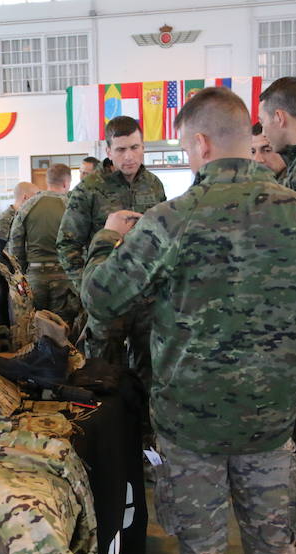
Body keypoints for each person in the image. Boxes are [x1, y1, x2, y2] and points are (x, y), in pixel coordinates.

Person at [81, 87, 296, 554]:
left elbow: (101, 299)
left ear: (203, 145)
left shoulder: (169, 220)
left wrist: (106, 238)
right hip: (273, 424)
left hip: (190, 427)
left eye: (187, 149)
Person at [57, 115, 166, 387]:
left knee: (149, 375)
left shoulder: (154, 185)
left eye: (135, 147)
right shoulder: (89, 190)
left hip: (146, 299)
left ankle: (143, 427)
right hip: (107, 299)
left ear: (143, 147)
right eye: (121, 149)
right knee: (103, 377)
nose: (129, 156)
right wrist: (88, 288)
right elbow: (67, 243)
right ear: (108, 152)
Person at [8, 163, 80, 324]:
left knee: (37, 328)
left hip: (35, 277)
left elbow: (15, 242)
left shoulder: (28, 206)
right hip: (65, 278)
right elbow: (82, 243)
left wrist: (23, 271)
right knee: (63, 328)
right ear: (66, 183)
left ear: (47, 182)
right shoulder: (72, 207)